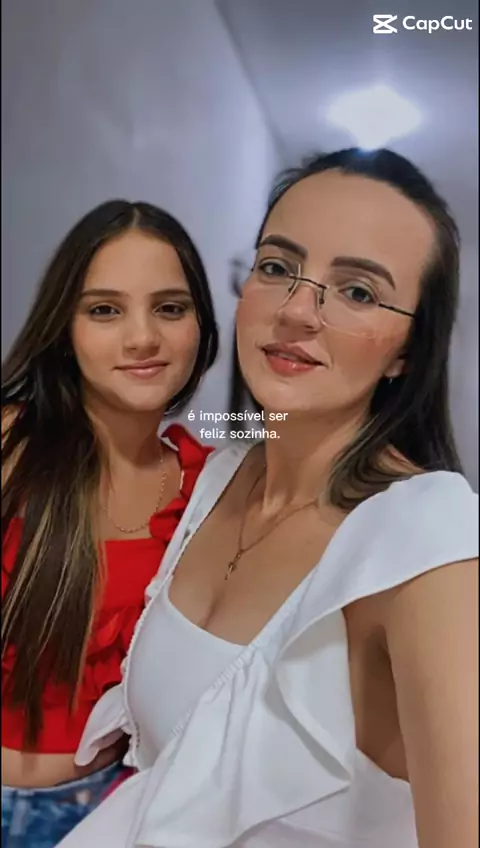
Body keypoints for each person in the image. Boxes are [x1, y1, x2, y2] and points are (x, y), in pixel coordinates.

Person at [58, 149, 478, 848]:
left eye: (358, 292)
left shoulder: (426, 538)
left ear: (407, 350)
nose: (297, 312)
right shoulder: (218, 476)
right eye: (278, 268)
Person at [1, 199, 219, 847]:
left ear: (202, 326)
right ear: (63, 327)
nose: (142, 338)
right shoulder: (11, 443)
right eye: (104, 310)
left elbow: (280, 427)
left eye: (170, 308)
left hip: (117, 816)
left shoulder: (209, 481)